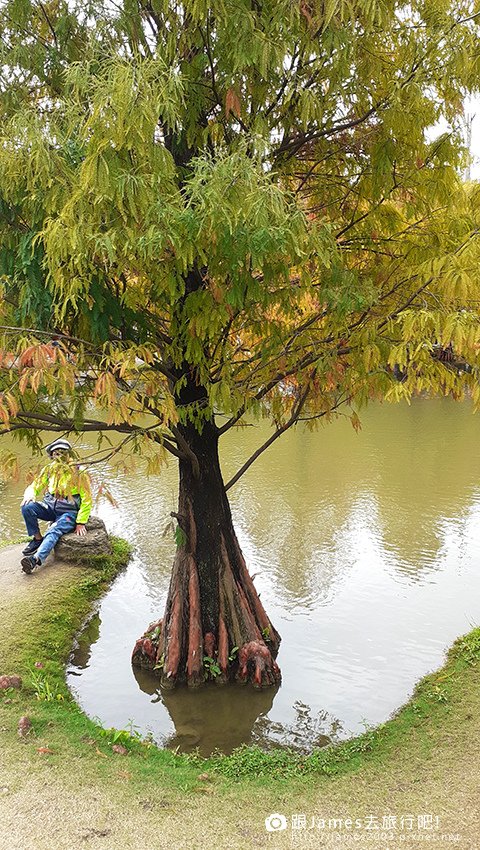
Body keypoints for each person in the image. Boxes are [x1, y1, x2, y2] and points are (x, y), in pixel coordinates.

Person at [20, 439, 92, 574]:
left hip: (68, 512)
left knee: (53, 530)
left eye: (62, 453)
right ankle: (37, 539)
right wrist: (29, 494)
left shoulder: (78, 471)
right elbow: (36, 485)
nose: (59, 456)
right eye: (56, 453)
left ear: (69, 454)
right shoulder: (49, 470)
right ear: (52, 455)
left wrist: (81, 522)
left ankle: (34, 560)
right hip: (50, 507)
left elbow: (87, 498)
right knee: (27, 507)